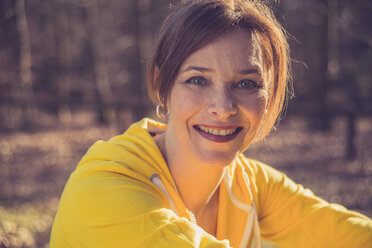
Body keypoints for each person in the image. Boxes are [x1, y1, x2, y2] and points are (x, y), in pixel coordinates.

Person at [50, 0, 372, 247]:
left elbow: (348, 233)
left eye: (246, 84)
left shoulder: (247, 182)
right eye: (197, 80)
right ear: (163, 86)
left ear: (269, 94)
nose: (223, 107)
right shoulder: (103, 190)